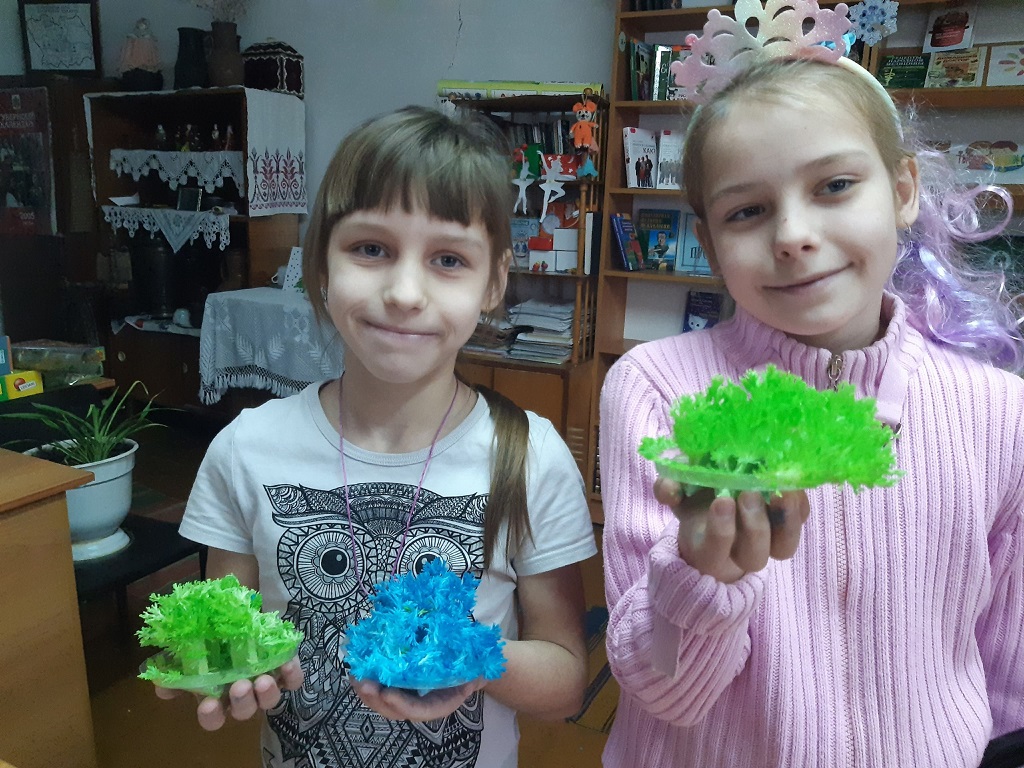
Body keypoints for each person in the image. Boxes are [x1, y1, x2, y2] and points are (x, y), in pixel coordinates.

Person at [598, 3, 1024, 767]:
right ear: (710, 243)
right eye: (748, 210)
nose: (793, 235)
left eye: (834, 185)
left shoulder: (1000, 411)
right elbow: (660, 689)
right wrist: (699, 579)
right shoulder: (655, 390)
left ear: (902, 190)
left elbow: (1008, 674)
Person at [164, 105, 598, 768]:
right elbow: (226, 630)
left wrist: (465, 655)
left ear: (494, 282)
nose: (403, 292)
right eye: (371, 249)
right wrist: (219, 666)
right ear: (320, 264)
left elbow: (566, 682)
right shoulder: (245, 450)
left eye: (448, 259)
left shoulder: (530, 458)